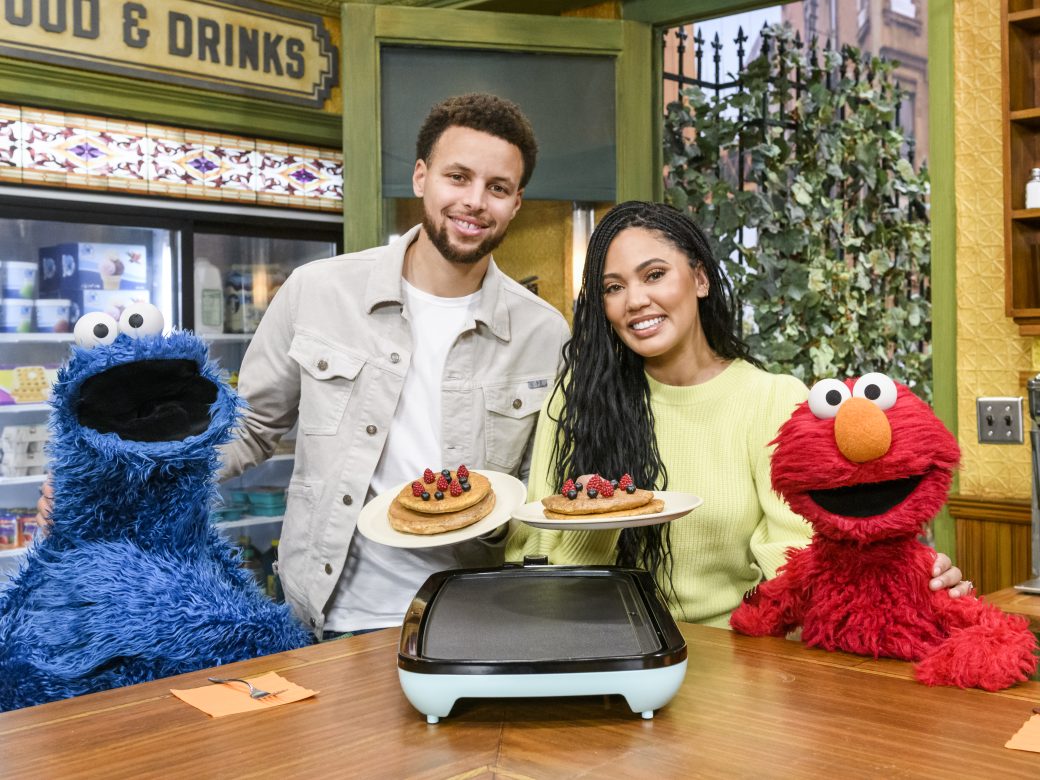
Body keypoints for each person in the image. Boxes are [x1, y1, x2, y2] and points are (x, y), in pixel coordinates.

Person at [505, 201, 967, 627]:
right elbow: (534, 561)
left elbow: (798, 564)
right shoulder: (575, 404)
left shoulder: (771, 401)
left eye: (654, 274)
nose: (635, 300)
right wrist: (594, 524)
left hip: (739, 652)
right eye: (614, 287)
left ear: (700, 280)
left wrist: (909, 578)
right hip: (600, 643)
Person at [218, 93, 569, 640]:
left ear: (516, 203)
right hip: (325, 618)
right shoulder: (318, 291)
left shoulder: (545, 334)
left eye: (497, 188)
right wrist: (116, 484)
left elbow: (542, 487)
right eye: (458, 177)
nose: (475, 201)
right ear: (421, 177)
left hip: (471, 622)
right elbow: (249, 426)